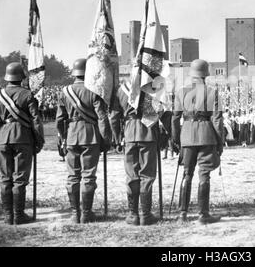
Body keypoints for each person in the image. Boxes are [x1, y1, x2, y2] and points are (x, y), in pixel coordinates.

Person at [55, 58, 111, 224]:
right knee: (88, 176)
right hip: (90, 136)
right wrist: (105, 139)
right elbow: (102, 117)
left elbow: (59, 120)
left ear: (74, 73)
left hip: (72, 136)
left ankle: (75, 214)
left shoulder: (65, 92)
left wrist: (63, 137)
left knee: (73, 176)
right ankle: (86, 213)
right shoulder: (93, 91)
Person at [171, 59, 224, 224]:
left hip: (186, 136)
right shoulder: (211, 91)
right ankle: (203, 215)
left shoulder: (181, 92)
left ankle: (182, 214)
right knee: (204, 175)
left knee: (187, 174)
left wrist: (176, 140)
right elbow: (217, 120)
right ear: (205, 74)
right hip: (206, 136)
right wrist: (219, 142)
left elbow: (174, 118)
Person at [110, 79, 167, 226]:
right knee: (147, 175)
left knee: (131, 175)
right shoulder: (151, 88)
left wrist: (117, 139)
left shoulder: (121, 90)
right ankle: (145, 214)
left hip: (129, 134)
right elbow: (162, 111)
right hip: (147, 132)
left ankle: (133, 214)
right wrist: (170, 133)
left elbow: (114, 118)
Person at [0, 63, 45, 225]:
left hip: (3, 138)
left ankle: (8, 216)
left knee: (5, 178)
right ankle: (18, 215)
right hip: (22, 138)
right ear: (21, 77)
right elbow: (36, 120)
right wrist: (39, 140)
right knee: (20, 179)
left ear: (7, 77)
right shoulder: (27, 95)